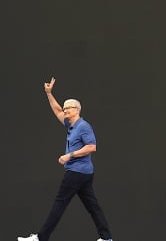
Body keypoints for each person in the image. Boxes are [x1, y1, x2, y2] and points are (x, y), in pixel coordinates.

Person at [18, 77, 113, 241]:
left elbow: (92, 147)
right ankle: (106, 238)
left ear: (77, 109)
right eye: (65, 108)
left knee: (59, 204)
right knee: (93, 206)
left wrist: (70, 155)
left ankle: (41, 238)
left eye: (68, 108)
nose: (65, 110)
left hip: (76, 172)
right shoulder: (71, 124)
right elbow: (56, 110)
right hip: (84, 174)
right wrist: (49, 93)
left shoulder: (84, 126)